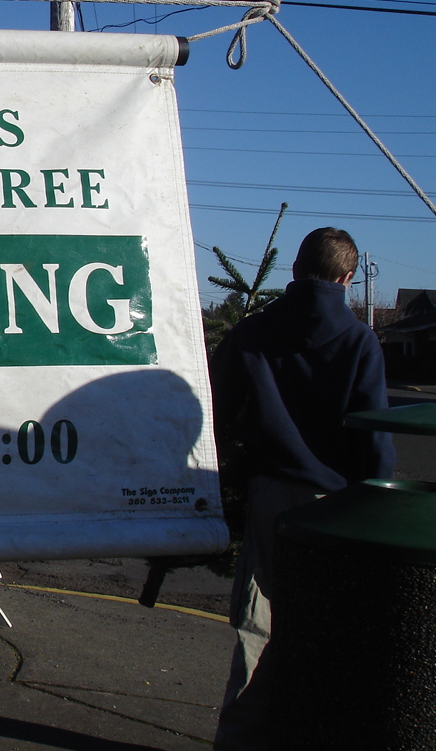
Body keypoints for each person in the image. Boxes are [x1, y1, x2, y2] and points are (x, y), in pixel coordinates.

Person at [210, 227, 393, 751]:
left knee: (257, 629)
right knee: (331, 631)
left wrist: (233, 478)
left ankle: (241, 740)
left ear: (295, 268)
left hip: (272, 495)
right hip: (337, 504)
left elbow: (217, 409)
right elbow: (373, 433)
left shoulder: (253, 332)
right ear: (347, 277)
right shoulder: (359, 340)